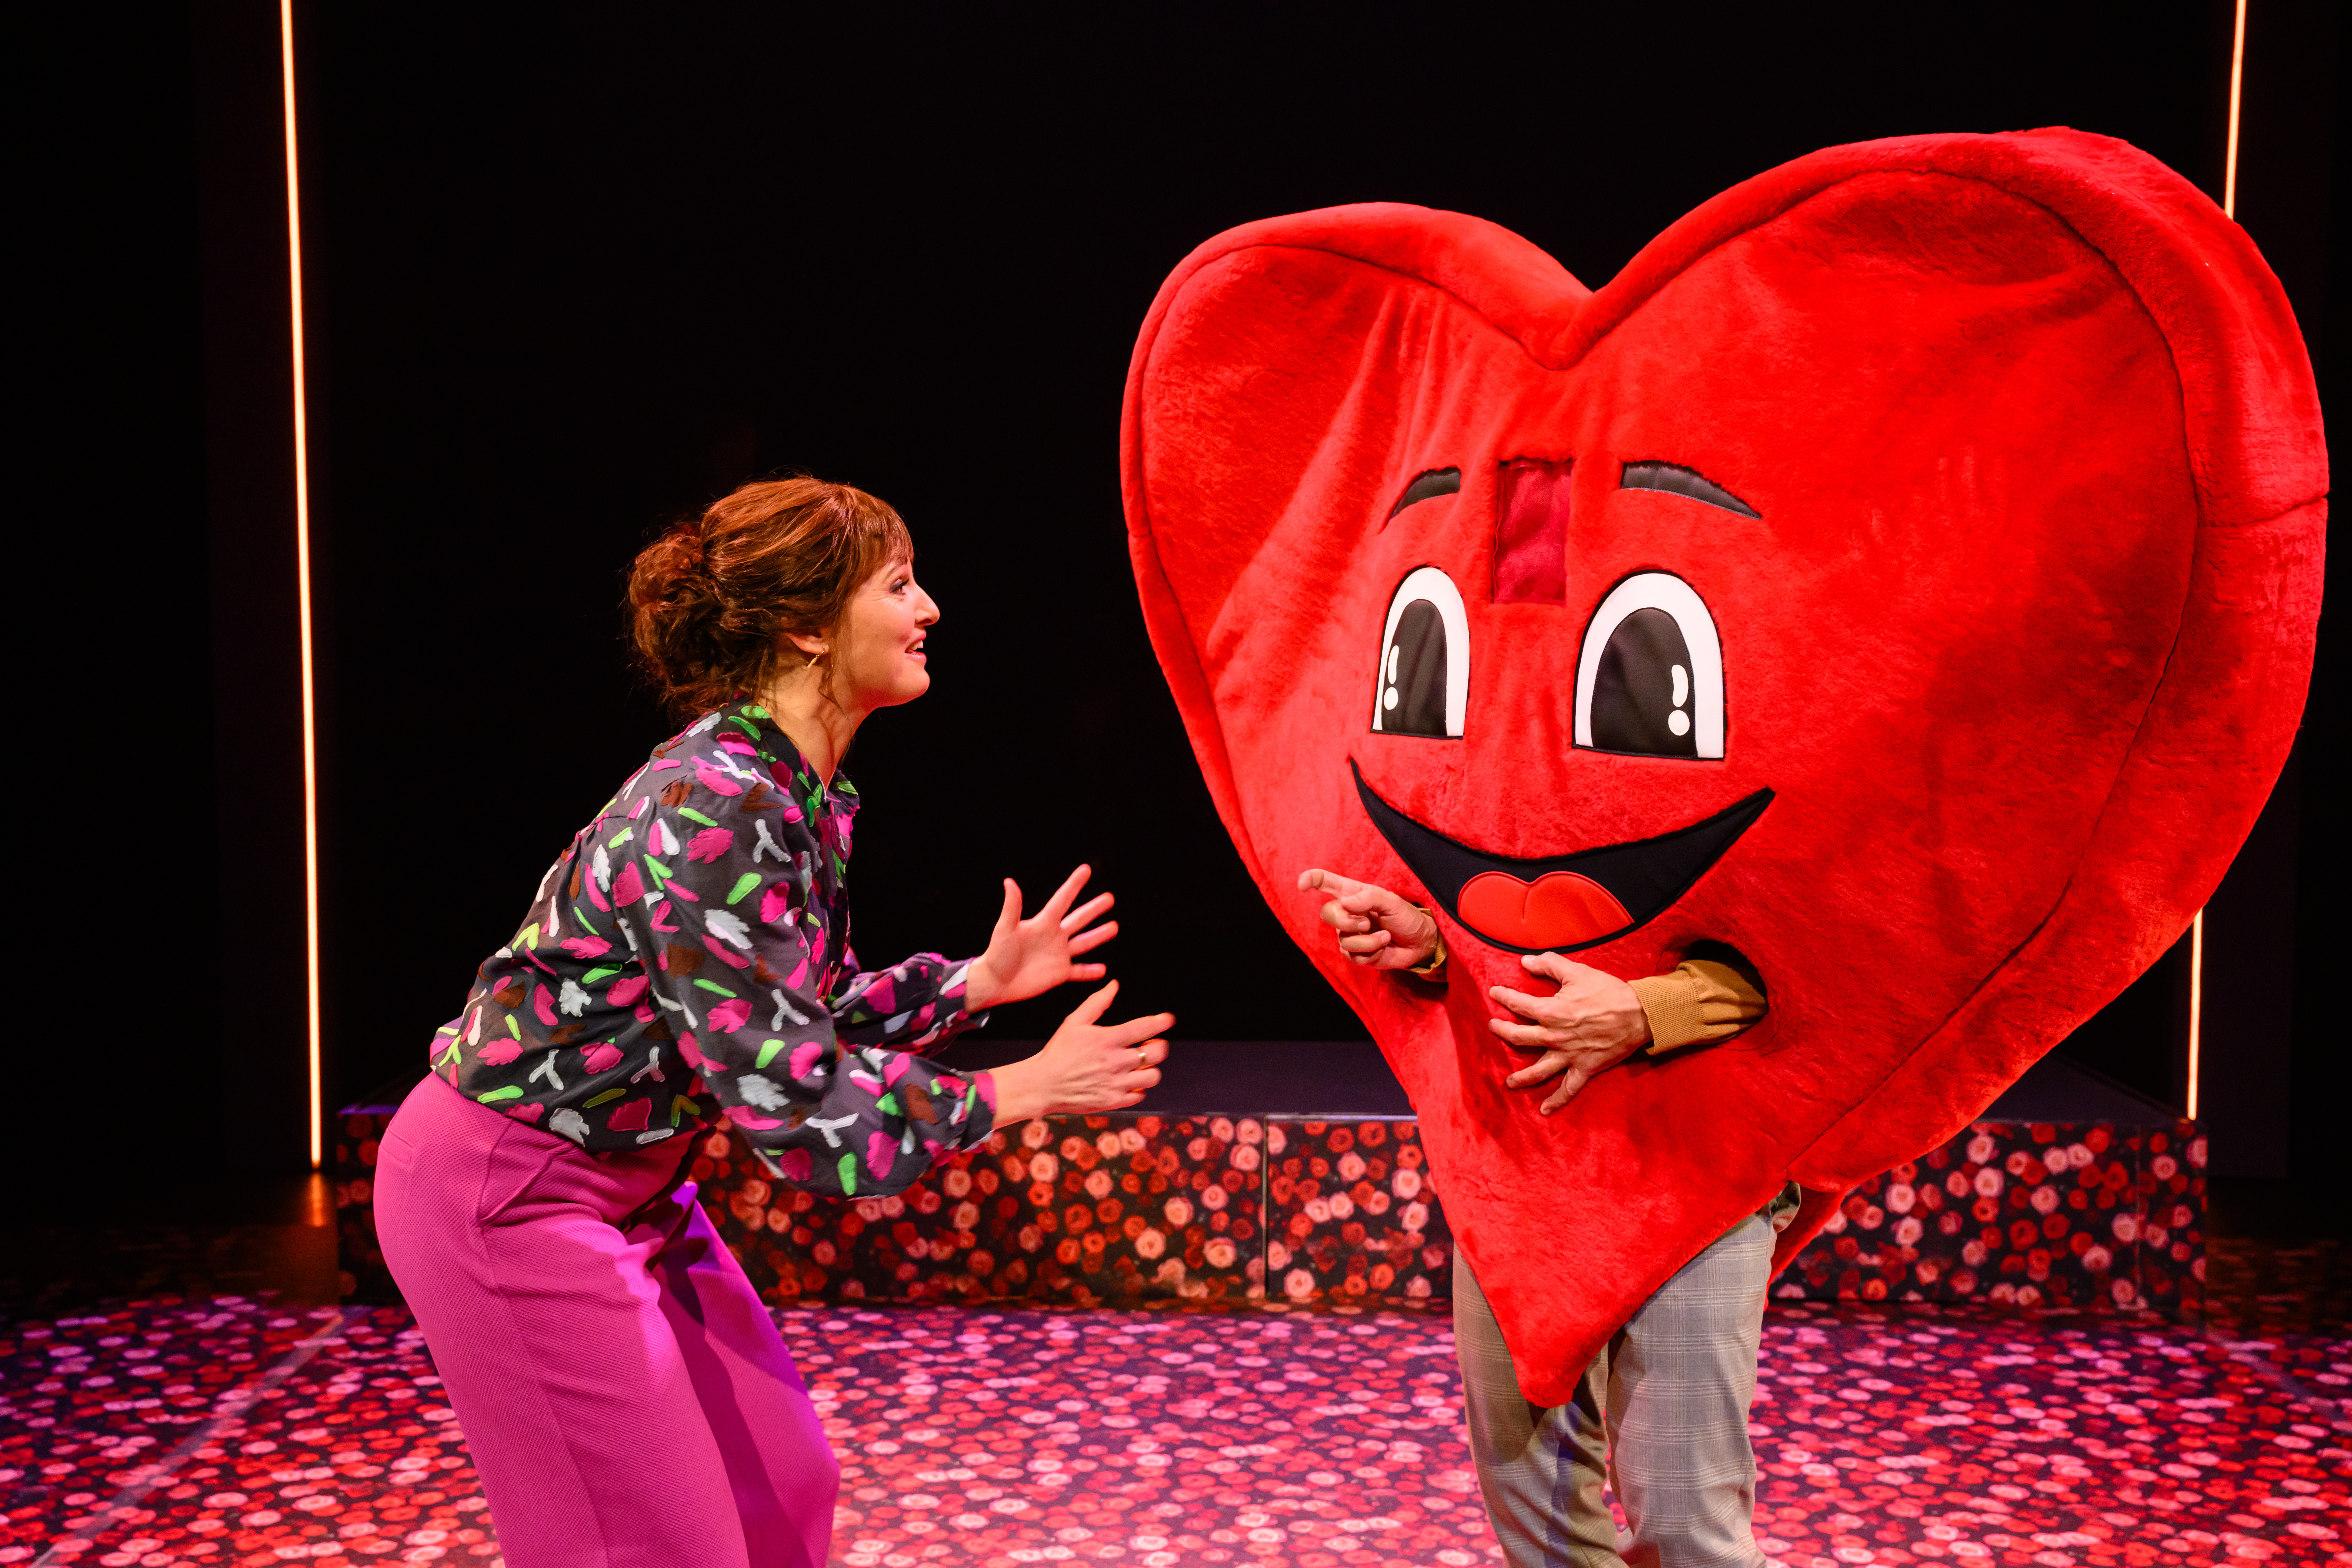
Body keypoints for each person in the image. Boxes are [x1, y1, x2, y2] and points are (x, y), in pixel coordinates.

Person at [374, 476, 1175, 1568]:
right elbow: (793, 1104)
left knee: (782, 1481)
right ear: (805, 624)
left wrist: (974, 983)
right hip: (509, 1195)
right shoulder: (718, 802)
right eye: (897, 584)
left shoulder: (789, 790)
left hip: (635, 1187)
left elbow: (785, 1020)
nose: (928, 607)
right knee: (652, 1544)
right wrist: (1016, 1087)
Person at [1297, 868, 1794, 1568]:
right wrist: (1439, 941)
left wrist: (1656, 1008)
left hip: (1698, 1162)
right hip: (1515, 1163)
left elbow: (1815, 936)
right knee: (1537, 1514)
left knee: (1689, 1524)